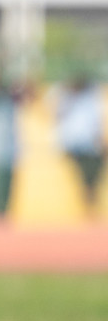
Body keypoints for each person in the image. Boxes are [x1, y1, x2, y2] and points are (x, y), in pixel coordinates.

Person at [0, 69, 31, 225]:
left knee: (8, 183)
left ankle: (5, 215)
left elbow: (28, 94)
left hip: (10, 147)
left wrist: (18, 80)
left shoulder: (12, 101)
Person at [54, 74, 104, 217]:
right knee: (85, 176)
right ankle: (88, 203)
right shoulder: (64, 96)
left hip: (90, 145)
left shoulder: (91, 96)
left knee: (93, 174)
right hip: (75, 145)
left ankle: (90, 202)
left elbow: (95, 122)